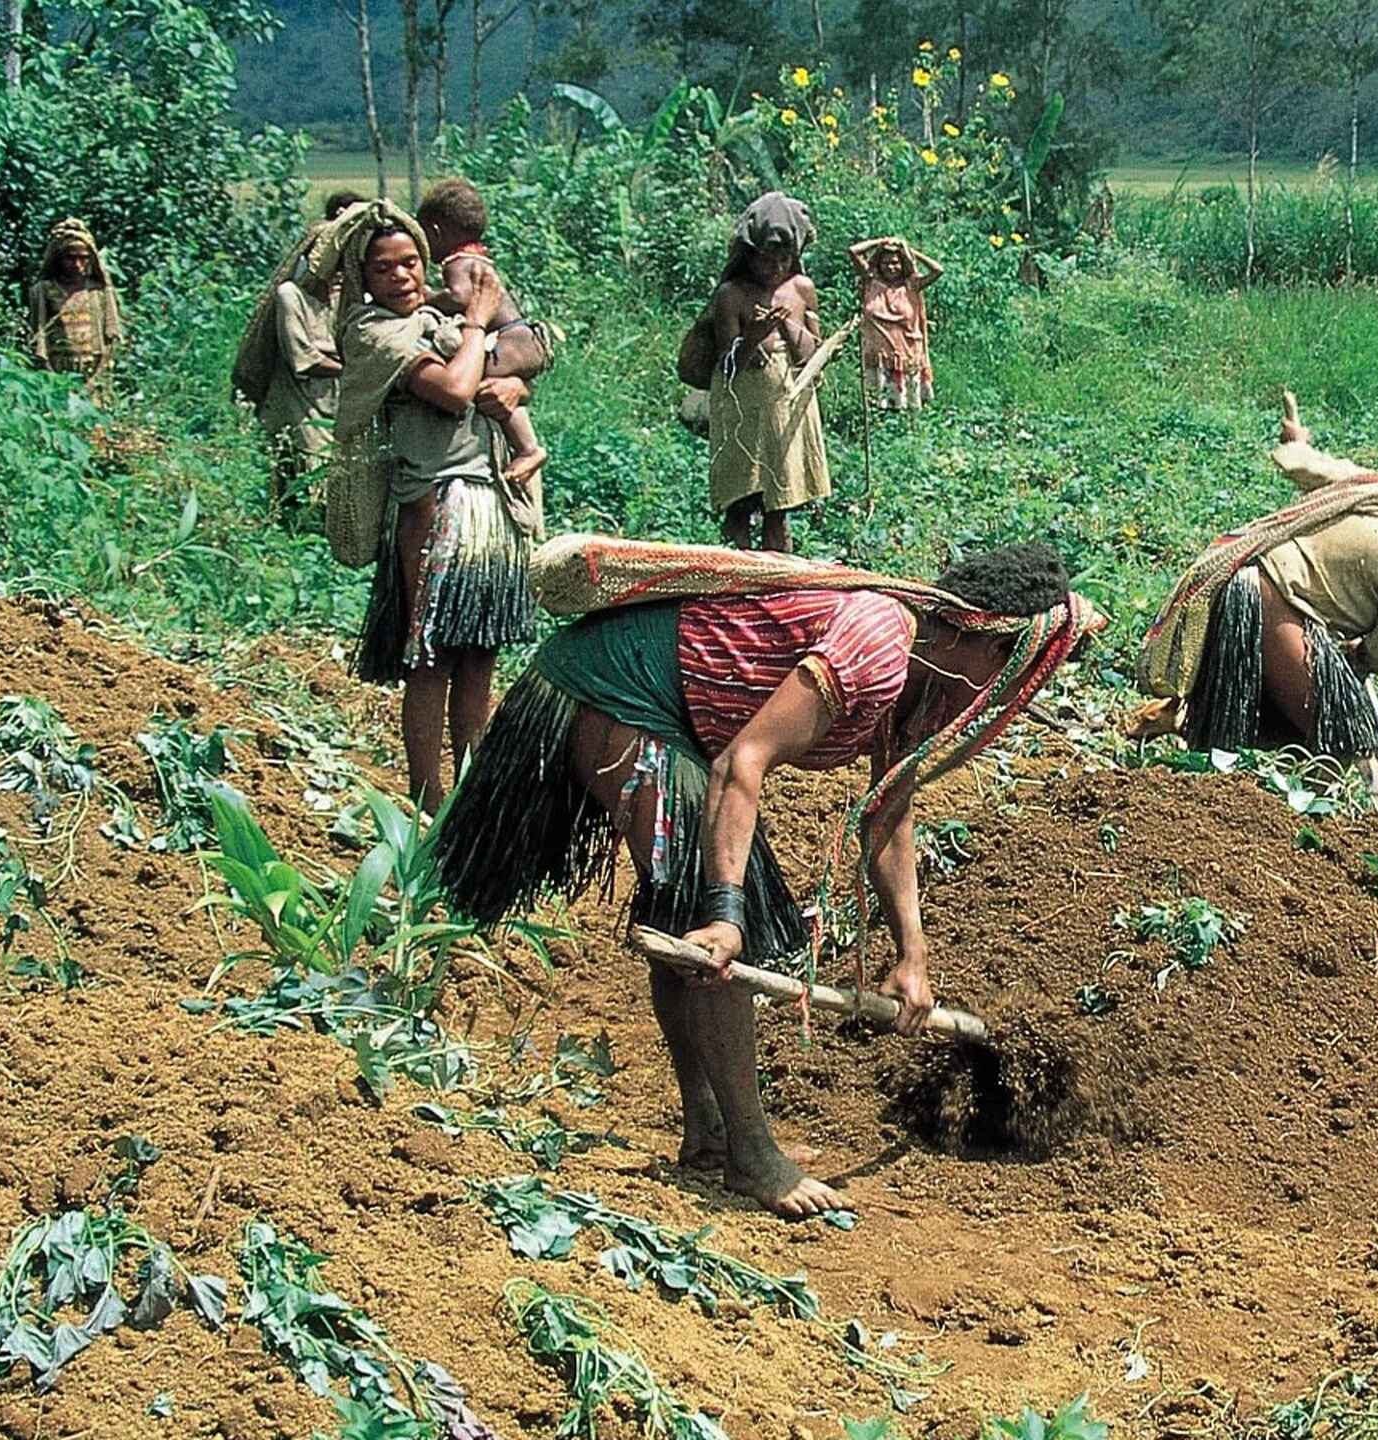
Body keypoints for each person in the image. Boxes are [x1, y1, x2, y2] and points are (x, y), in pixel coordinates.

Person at [433, 533, 1102, 1216]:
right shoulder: (876, 646)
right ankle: (751, 1154)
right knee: (716, 932)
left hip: (674, 719)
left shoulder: (928, 679)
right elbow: (742, 763)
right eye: (1010, 670)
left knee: (687, 926)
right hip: (618, 693)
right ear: (991, 646)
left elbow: (888, 814)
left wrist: (912, 955)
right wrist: (725, 912)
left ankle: (711, 1134)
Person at [1130, 392, 1378, 824]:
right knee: (1341, 735)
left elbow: (1309, 467)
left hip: (1242, 584)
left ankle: (1181, 722)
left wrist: (1295, 439)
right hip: (1271, 599)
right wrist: (1352, 667)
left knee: (1281, 711)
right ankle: (1297, 825)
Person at [326, 201, 537, 810]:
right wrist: (476, 321)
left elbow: (525, 351)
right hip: (433, 508)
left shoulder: (433, 320)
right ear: (362, 278)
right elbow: (452, 391)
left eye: (411, 262)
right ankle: (425, 798)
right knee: (431, 657)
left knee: (478, 658)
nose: (401, 276)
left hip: (489, 503)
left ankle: (470, 795)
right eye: (384, 268)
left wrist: (517, 379)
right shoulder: (372, 334)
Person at [678, 192, 830, 553]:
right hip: (741, 407)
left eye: (784, 259)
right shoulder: (732, 295)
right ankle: (738, 583)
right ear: (750, 255)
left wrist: (791, 329)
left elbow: (815, 355)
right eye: (767, 260)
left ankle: (776, 584)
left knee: (779, 505)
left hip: (786, 404)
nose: (775, 269)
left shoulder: (801, 290)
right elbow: (729, 368)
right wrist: (753, 339)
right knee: (741, 501)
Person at [236, 190, 370, 513]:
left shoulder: (345, 299)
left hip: (334, 399)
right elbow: (304, 362)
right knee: (309, 477)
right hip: (298, 398)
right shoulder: (290, 296)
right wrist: (355, 370)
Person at [417, 179, 549, 506]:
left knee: (471, 375)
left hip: (513, 341)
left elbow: (461, 297)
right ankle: (529, 449)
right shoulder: (480, 257)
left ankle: (529, 449)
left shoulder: (457, 262)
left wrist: (428, 298)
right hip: (525, 339)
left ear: (434, 232)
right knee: (498, 387)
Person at [849, 236, 941, 410]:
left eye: (895, 263)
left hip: (906, 355)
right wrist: (880, 242)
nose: (891, 267)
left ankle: (907, 435)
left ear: (902, 263)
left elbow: (937, 270)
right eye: (886, 263)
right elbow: (853, 251)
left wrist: (910, 252)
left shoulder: (911, 285)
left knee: (908, 407)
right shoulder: (871, 281)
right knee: (877, 407)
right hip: (878, 358)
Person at [28, 218, 123, 382]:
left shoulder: (98, 292)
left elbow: (110, 338)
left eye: (83, 258)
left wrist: (99, 374)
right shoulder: (44, 290)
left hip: (94, 370)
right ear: (59, 259)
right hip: (57, 371)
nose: (77, 264)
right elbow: (38, 333)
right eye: (70, 258)